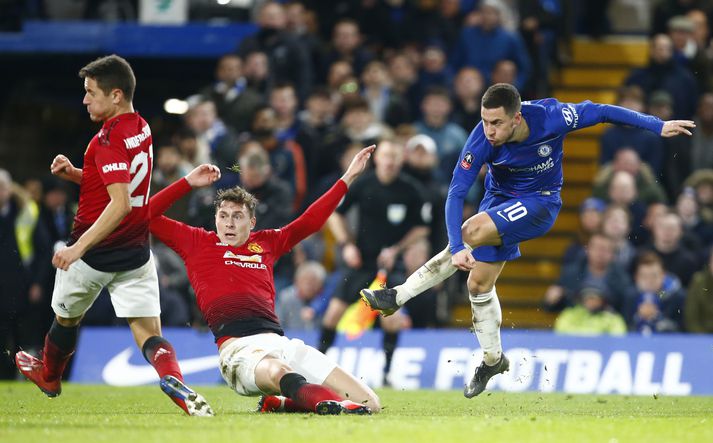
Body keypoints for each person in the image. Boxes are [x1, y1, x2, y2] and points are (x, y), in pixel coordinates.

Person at [361, 82, 695, 399]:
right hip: (498, 198)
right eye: (484, 121)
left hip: (540, 202)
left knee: (469, 233)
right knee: (478, 285)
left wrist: (656, 125)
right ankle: (493, 361)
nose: (489, 130)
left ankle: (397, 296)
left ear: (516, 117)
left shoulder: (552, 117)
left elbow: (603, 110)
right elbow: (456, 192)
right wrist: (458, 249)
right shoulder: (480, 140)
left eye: (496, 122)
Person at [14, 55, 213, 416]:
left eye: (91, 93)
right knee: (149, 332)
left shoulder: (105, 141)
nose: (85, 100)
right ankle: (174, 379)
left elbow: (119, 203)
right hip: (136, 253)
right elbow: (130, 191)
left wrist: (77, 248)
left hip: (94, 254)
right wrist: (77, 173)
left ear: (116, 95)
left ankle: (50, 376)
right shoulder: (143, 128)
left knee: (66, 319)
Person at [149, 146, 380, 415]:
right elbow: (147, 215)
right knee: (278, 371)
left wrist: (349, 176)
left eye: (238, 217)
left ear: (252, 222)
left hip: (281, 344)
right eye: (223, 216)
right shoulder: (197, 242)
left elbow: (310, 222)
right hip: (238, 349)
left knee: (370, 404)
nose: (229, 224)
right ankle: (328, 406)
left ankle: (280, 402)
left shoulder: (267, 242)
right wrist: (187, 183)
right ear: (215, 219)